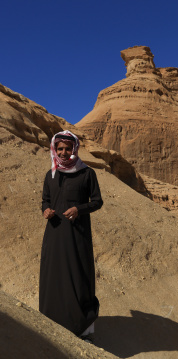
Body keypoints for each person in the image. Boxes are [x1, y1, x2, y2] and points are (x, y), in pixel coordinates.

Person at [40, 130, 103, 343]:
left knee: (78, 276)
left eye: (68, 148)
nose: (64, 152)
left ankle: (83, 329)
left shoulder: (87, 174)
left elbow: (97, 201)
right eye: (60, 148)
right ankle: (51, 322)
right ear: (55, 150)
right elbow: (45, 200)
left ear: (74, 149)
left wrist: (79, 209)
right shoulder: (51, 174)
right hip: (55, 233)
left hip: (77, 234)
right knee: (53, 276)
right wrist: (46, 210)